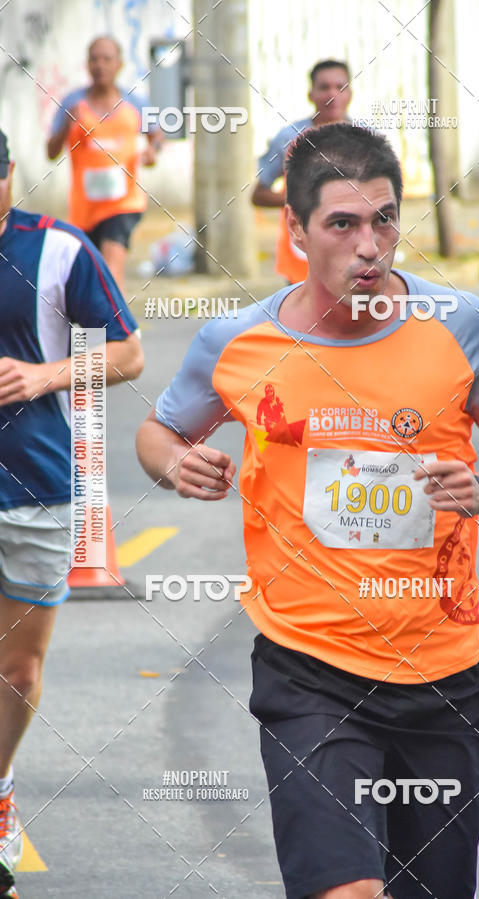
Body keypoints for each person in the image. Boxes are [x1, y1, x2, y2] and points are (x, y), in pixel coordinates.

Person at [136, 123, 479, 899]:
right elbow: (159, 431)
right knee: (348, 891)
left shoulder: (465, 323)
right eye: (343, 223)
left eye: (385, 219)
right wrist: (174, 463)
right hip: (309, 672)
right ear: (295, 230)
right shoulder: (238, 341)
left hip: (441, 676)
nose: (370, 245)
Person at [0, 129, 143, 898]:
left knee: (18, 667)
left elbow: (127, 353)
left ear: (10, 174)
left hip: (37, 490)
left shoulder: (59, 250)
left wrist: (45, 375)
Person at [47, 35, 162, 289]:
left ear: (119, 64)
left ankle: (114, 315)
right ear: (87, 64)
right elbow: (51, 152)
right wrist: (67, 125)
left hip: (124, 204)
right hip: (84, 210)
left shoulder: (134, 103)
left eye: (107, 59)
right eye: (94, 59)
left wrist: (151, 152)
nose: (100, 65)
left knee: (111, 268)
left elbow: (156, 135)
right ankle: (105, 315)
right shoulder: (72, 103)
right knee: (88, 280)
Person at [251, 59, 352, 284]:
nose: (332, 94)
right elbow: (258, 195)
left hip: (351, 257)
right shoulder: (289, 138)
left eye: (340, 87)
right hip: (302, 262)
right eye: (324, 87)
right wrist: (305, 201)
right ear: (311, 94)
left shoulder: (367, 139)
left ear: (350, 93)